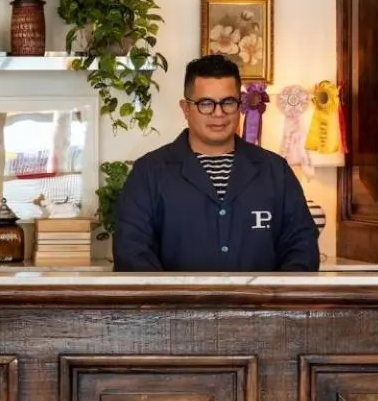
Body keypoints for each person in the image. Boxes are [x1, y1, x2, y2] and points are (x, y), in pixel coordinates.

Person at [112, 53, 321, 272]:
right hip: (174, 306)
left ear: (239, 105)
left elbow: (302, 248)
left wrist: (271, 302)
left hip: (263, 306)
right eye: (206, 104)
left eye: (228, 102)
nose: (218, 113)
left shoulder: (276, 171)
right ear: (185, 108)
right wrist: (173, 304)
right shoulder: (149, 172)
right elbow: (131, 252)